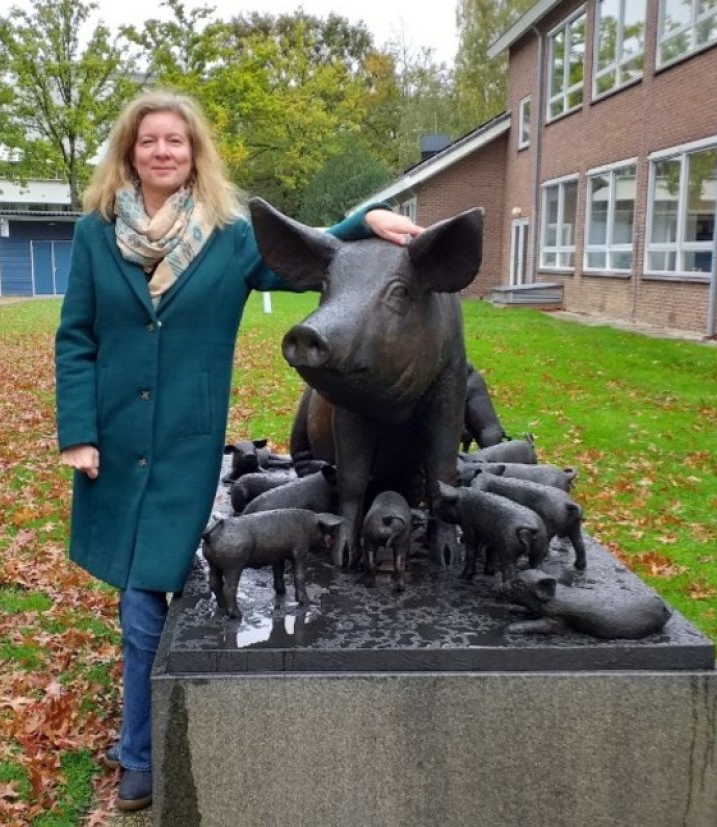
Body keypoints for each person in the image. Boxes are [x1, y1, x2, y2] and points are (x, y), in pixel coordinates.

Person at [54, 89, 422, 812]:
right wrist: (78, 433)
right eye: (150, 140)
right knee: (142, 591)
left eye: (177, 141)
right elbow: (76, 337)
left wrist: (361, 221)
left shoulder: (227, 236)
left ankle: (140, 756)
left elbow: (301, 252)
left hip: (186, 445)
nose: (163, 151)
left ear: (195, 155)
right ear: (129, 151)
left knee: (143, 589)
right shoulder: (96, 235)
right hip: (114, 441)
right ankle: (150, 727)